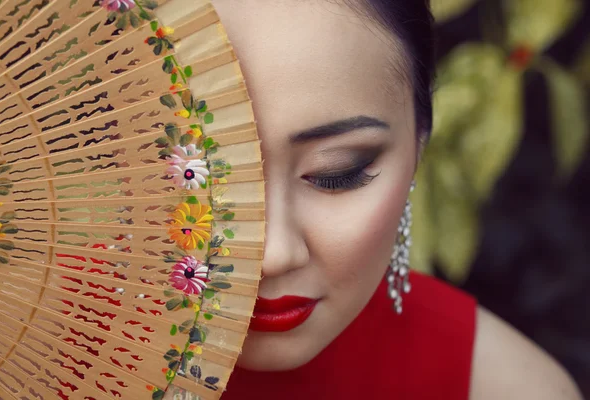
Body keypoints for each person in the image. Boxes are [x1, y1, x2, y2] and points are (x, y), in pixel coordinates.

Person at [173, 0, 583, 399]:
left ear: (419, 142)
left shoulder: (508, 388)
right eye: (196, 178)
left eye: (338, 173)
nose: (272, 256)